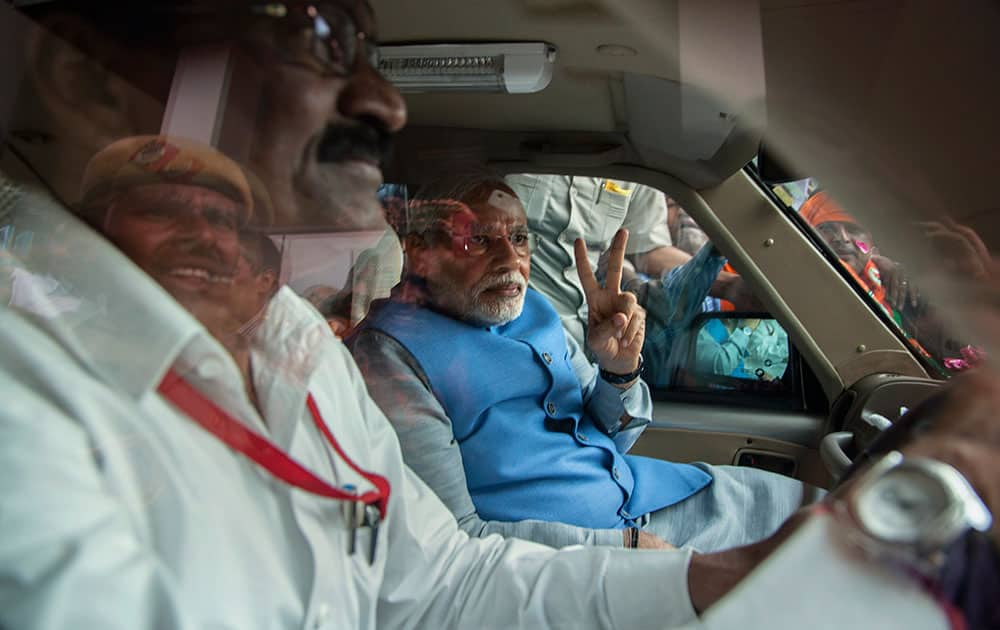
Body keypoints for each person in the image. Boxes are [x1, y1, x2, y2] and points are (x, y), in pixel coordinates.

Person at [1, 2, 996, 629]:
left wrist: (715, 571)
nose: (384, 104)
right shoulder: (31, 415)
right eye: (312, 32)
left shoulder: (296, 349)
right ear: (88, 80)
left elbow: (439, 588)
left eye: (517, 238)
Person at [349, 177, 811, 553]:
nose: (510, 260)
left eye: (519, 238)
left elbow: (616, 435)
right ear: (421, 253)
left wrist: (618, 372)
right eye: (479, 242)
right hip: (582, 558)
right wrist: (622, 550)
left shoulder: (534, 308)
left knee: (821, 515)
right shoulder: (392, 357)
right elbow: (451, 536)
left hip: (658, 499)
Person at [505, 174, 691, 347]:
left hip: (593, 322)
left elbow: (649, 247)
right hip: (518, 320)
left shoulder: (636, 159)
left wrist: (714, 272)